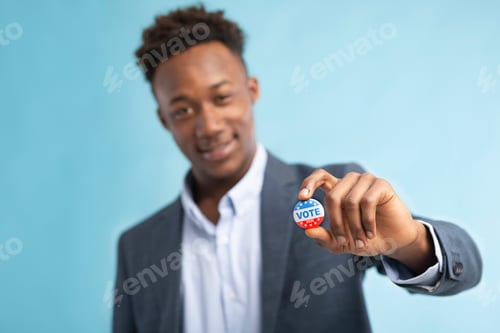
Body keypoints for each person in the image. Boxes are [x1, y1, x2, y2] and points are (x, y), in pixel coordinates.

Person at [113, 5, 482, 333]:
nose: (208, 125)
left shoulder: (333, 195)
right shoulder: (138, 247)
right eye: (183, 110)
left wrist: (411, 241)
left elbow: (467, 268)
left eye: (222, 97)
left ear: (251, 90)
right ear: (164, 120)